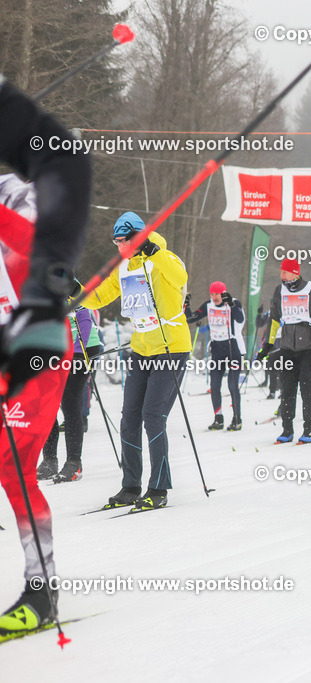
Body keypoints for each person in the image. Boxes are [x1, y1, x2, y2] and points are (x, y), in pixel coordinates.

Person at [0, 77, 91, 635]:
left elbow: (43, 244)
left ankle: (42, 589)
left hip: (35, 350)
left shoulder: (23, 192)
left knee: (13, 468)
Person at [81, 211, 190, 512]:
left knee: (153, 415)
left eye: (123, 241)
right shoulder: (124, 266)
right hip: (142, 350)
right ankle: (130, 486)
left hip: (171, 348)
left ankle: (159, 488)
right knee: (129, 418)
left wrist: (156, 253)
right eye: (115, 242)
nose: (119, 247)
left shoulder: (164, 257)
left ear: (137, 237)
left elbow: (181, 278)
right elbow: (102, 295)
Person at [256, 258, 311, 444]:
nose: (282, 275)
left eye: (285, 272)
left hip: (310, 348)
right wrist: (267, 346)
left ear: (296, 272)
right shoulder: (279, 290)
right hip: (288, 348)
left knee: (307, 390)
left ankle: (309, 430)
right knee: (287, 390)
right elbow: (274, 320)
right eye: (281, 271)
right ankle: (287, 430)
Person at [38, 281, 103, 482]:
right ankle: (49, 460)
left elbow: (84, 320)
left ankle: (74, 462)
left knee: (69, 401)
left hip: (83, 347)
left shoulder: (69, 286)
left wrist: (76, 353)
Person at [184, 281, 245, 431]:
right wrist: (185, 306)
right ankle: (218, 419)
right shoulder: (208, 305)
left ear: (223, 292)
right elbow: (190, 318)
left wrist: (230, 303)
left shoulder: (234, 303)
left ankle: (237, 419)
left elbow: (240, 319)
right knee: (214, 385)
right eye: (212, 294)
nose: (215, 297)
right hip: (217, 350)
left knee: (232, 385)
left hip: (233, 349)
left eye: (217, 294)